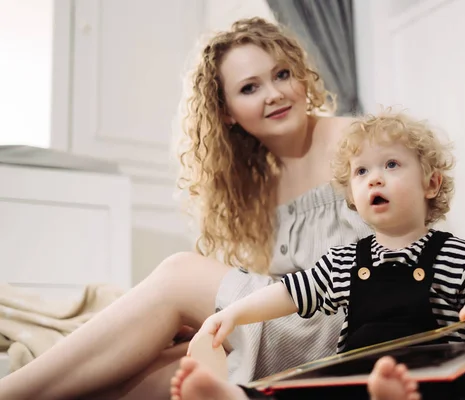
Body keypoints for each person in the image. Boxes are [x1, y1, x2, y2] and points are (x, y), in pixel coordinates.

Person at [0, 17, 411, 400]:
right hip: (291, 325)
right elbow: (279, 282)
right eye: (250, 88)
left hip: (349, 328)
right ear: (227, 113)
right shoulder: (260, 184)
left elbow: (413, 240)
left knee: (179, 273)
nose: (274, 94)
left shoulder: (354, 141)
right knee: (157, 371)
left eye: (282, 74)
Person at [172, 112, 465, 400]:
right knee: (309, 387)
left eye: (391, 165)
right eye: (362, 171)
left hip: (439, 376)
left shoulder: (454, 254)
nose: (374, 179)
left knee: (453, 388)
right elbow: (290, 293)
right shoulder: (344, 261)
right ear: (353, 198)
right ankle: (234, 397)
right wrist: (234, 313)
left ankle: (396, 395)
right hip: (359, 376)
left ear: (430, 184)